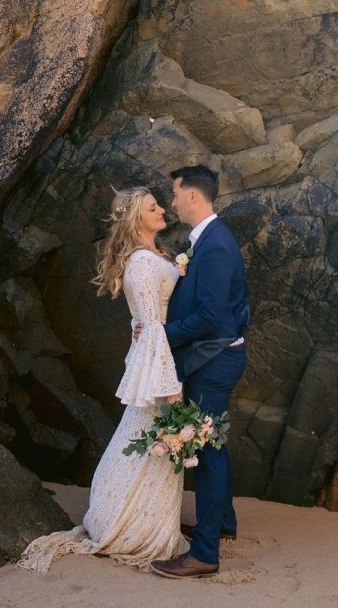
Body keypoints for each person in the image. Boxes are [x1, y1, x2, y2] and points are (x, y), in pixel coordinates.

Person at [18, 187, 184, 574]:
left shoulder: (154, 255)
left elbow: (142, 321)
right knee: (150, 439)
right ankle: (126, 527)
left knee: (152, 444)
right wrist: (169, 386)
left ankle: (142, 521)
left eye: (159, 204)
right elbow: (149, 325)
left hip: (160, 355)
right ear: (134, 219)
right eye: (152, 207)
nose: (162, 210)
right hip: (158, 366)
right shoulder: (143, 263)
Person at [150, 164, 249, 580]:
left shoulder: (215, 246)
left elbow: (210, 318)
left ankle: (205, 551)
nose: (171, 202)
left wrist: (161, 335)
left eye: (174, 194)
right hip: (214, 357)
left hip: (214, 360)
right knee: (214, 445)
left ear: (193, 195)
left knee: (207, 449)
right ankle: (221, 523)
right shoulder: (206, 241)